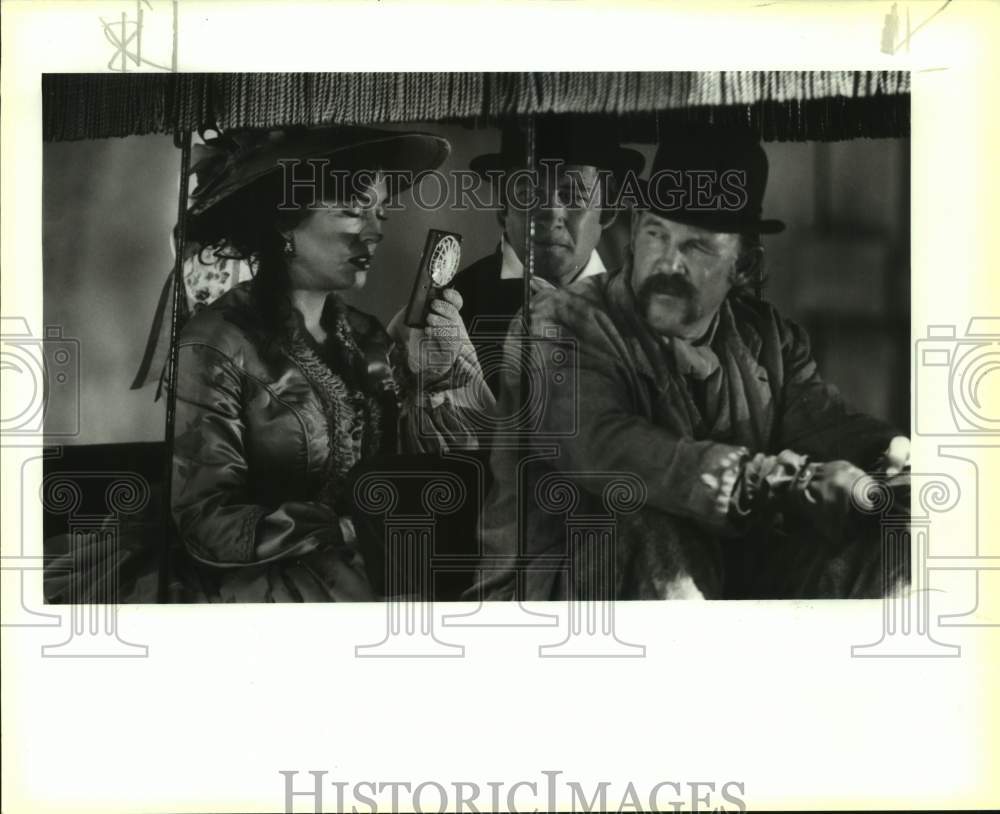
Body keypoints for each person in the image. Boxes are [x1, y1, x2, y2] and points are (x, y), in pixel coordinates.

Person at [470, 130, 911, 601]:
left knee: (899, 538)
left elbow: (828, 425)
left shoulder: (767, 341)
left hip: (724, 579)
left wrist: (894, 455)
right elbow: (608, 451)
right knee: (647, 519)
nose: (668, 262)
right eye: (657, 234)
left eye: (697, 247)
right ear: (635, 234)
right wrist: (779, 482)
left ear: (744, 265)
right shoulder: (558, 323)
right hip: (559, 590)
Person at [170, 125, 477, 602]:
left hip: (380, 561)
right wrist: (346, 530)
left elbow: (400, 475)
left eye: (379, 212)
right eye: (353, 211)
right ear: (284, 221)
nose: (375, 230)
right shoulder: (215, 343)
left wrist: (428, 379)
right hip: (266, 581)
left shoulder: (369, 336)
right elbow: (206, 520)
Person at [452, 115, 644, 400]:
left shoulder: (640, 313)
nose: (551, 214)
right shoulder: (454, 306)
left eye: (573, 195)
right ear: (503, 209)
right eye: (528, 194)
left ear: (608, 211)